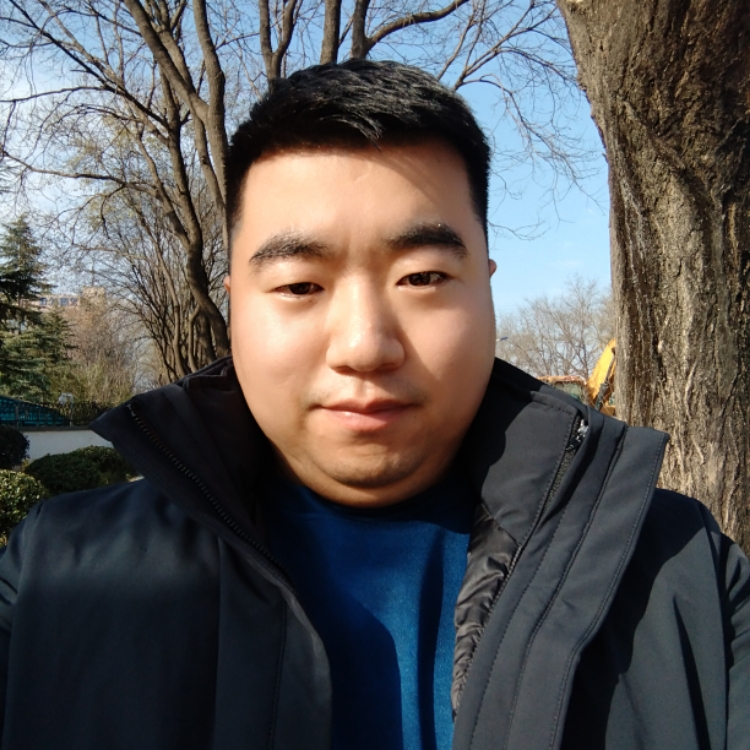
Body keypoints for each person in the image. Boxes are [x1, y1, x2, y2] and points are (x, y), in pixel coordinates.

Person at [0, 60, 747, 750]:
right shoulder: (51, 576)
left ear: (486, 288)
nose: (364, 346)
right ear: (235, 306)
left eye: (422, 278)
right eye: (299, 285)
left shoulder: (685, 576)